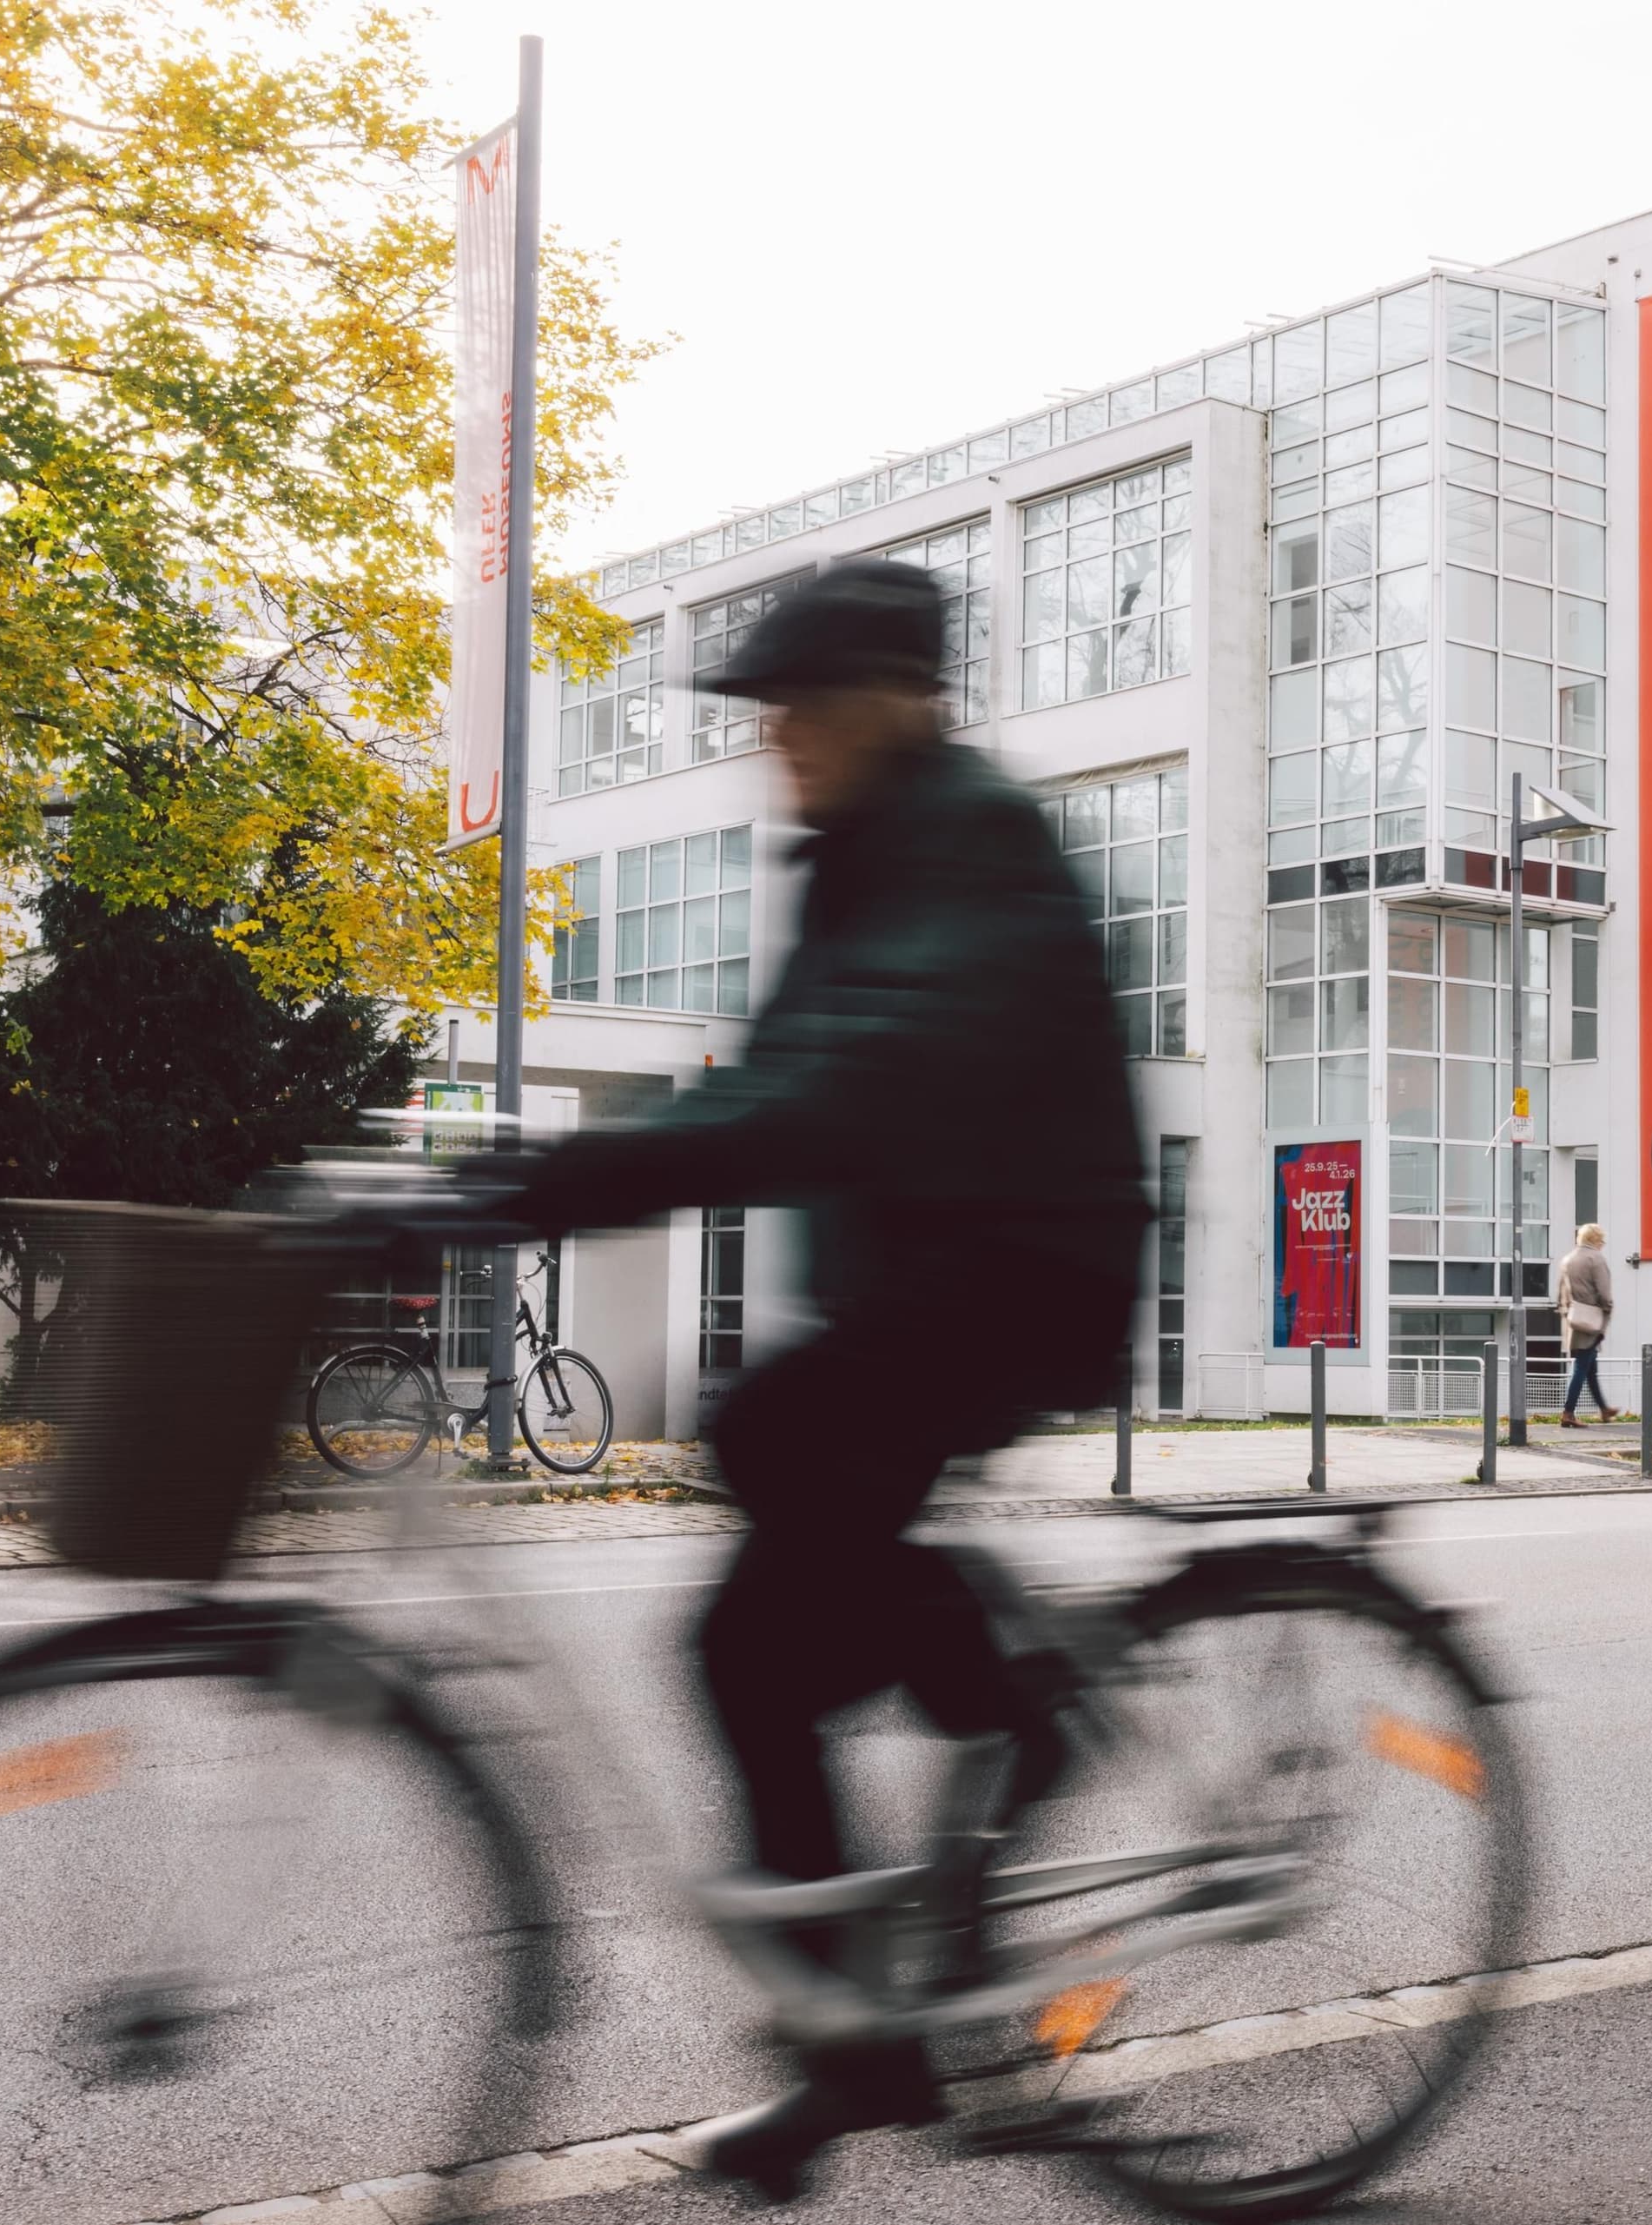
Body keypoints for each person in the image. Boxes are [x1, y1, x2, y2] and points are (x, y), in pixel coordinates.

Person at [503, 558, 1147, 2195]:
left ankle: (1002, 1715)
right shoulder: (858, 855)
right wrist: (555, 1168)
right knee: (759, 1597)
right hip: (922, 1278)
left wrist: (560, 1177)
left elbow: (853, 1081)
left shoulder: (971, 838)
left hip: (1019, 1273)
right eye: (764, 711)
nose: (774, 736)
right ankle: (861, 2045)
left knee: (755, 1573)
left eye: (800, 705)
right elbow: (785, 1072)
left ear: (896, 702)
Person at [1553, 1223, 1616, 1425]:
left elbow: (1560, 1292)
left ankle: (1604, 1409)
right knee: (1582, 1367)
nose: (1603, 1245)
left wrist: (1566, 1312)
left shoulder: (1568, 1260)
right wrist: (1607, 1309)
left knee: (1590, 1367)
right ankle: (1568, 1413)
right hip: (1591, 1319)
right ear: (1596, 1240)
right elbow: (1604, 1293)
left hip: (1573, 1318)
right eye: (1602, 1241)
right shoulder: (1596, 1259)